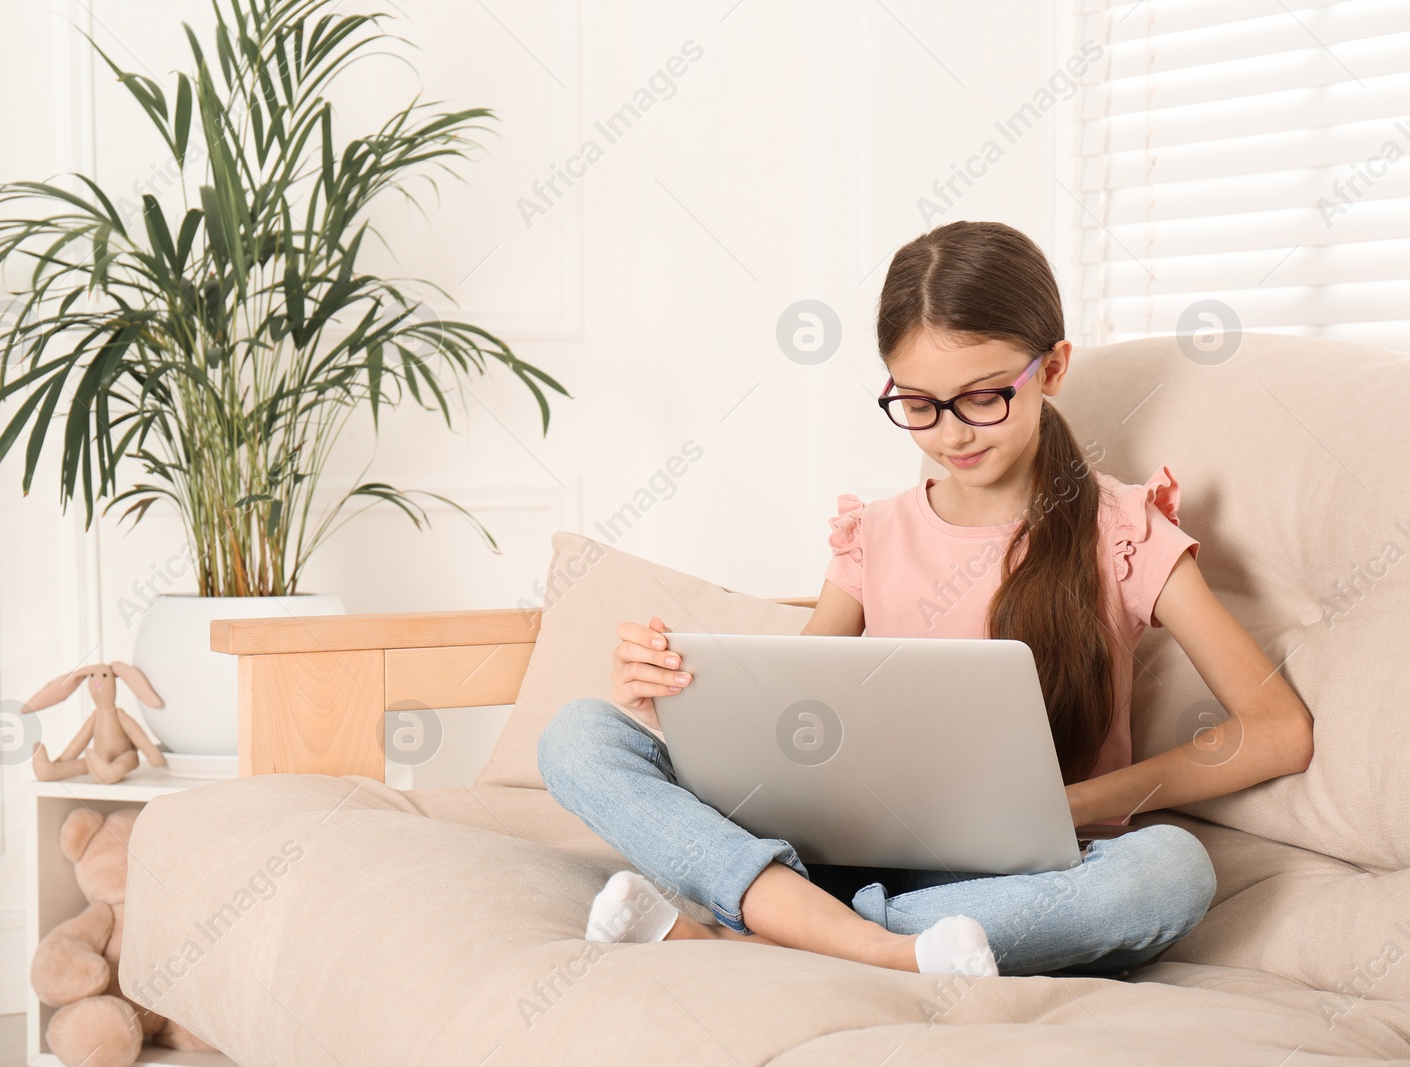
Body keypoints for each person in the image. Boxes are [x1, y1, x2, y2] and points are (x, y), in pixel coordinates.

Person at [536, 220, 1316, 979]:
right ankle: (884, 949)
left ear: (1051, 369)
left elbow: (1278, 730)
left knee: (1171, 871)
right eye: (917, 403)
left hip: (1008, 882)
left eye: (983, 398)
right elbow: (795, 718)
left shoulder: (1122, 532)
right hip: (836, 853)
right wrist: (671, 698)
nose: (951, 434)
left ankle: (780, 936)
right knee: (577, 734)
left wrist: (1073, 805)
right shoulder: (873, 535)